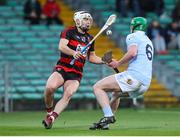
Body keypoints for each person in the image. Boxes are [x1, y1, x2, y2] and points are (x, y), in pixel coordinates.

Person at [42, 11, 105, 129]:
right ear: (78, 20)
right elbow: (62, 46)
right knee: (50, 87)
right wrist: (73, 53)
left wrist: (104, 60)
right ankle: (49, 111)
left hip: (76, 73)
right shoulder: (68, 31)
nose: (88, 22)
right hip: (63, 67)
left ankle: (52, 118)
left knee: (68, 94)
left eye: (89, 20)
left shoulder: (90, 38)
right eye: (85, 19)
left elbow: (91, 57)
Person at [89, 17, 154, 130]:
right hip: (145, 84)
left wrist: (118, 63)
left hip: (134, 77)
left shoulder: (133, 36)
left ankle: (109, 116)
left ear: (134, 26)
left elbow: (132, 53)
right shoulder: (147, 40)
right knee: (116, 94)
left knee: (97, 87)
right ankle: (106, 123)